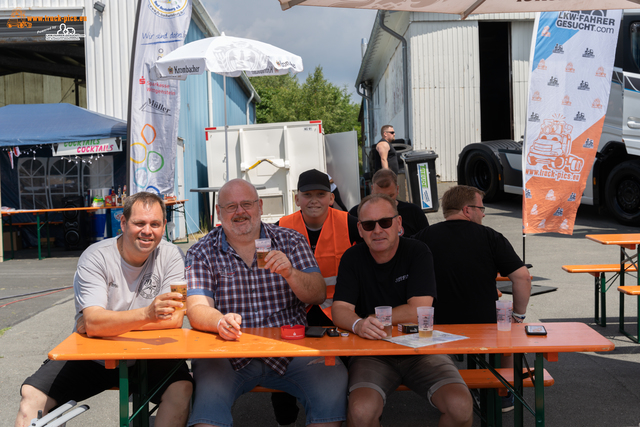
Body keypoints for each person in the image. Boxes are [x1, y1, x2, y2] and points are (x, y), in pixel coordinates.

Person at [15, 192, 193, 427]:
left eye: (155, 224)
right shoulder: (96, 256)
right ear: (123, 222)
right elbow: (93, 323)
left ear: (163, 226)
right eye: (139, 223)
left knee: (182, 389)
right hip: (95, 357)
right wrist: (146, 314)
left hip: (151, 355)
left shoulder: (171, 255)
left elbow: (174, 319)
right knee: (31, 395)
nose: (147, 231)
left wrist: (103, 324)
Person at [184, 178, 347, 427]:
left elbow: (318, 294)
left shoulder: (290, 240)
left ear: (260, 206)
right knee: (208, 410)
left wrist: (291, 273)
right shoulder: (202, 250)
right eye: (231, 206)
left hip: (291, 349)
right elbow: (196, 308)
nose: (240, 212)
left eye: (247, 204)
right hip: (228, 353)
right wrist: (219, 321)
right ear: (218, 212)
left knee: (332, 375)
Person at [332, 194, 473, 427]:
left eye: (385, 222)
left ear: (399, 224)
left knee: (460, 406)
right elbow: (340, 310)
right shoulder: (352, 257)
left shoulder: (418, 251)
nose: (377, 230)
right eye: (369, 224)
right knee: (360, 412)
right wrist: (358, 325)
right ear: (360, 229)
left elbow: (418, 310)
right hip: (372, 352)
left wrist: (368, 318)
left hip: (422, 347)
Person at [412, 185, 531, 412]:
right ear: (467, 210)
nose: (484, 213)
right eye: (481, 208)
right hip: (485, 326)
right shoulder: (490, 237)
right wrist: (518, 315)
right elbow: (523, 278)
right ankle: (503, 394)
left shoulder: (423, 237)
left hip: (436, 327)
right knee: (509, 333)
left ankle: (447, 390)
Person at [274, 169, 362, 425]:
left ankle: (341, 411)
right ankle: (285, 418)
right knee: (284, 362)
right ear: (297, 198)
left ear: (331, 198)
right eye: (307, 194)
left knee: (341, 367)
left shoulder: (350, 222)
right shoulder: (281, 226)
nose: (314, 200)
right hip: (293, 308)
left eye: (321, 194)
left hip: (337, 309)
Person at [349, 169, 429, 236]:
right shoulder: (357, 213)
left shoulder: (414, 213)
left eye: (390, 196)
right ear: (372, 189)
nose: (386, 201)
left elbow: (427, 241)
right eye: (380, 196)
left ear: (397, 189)